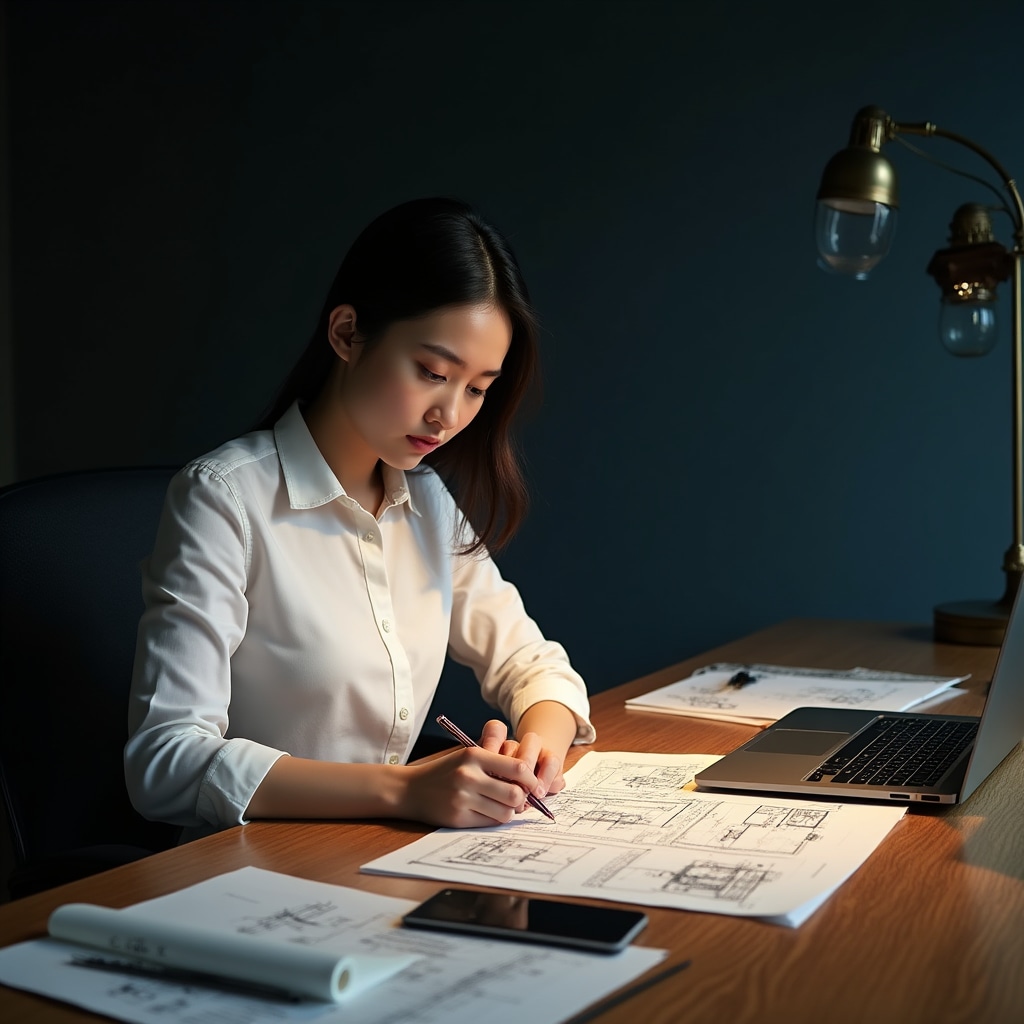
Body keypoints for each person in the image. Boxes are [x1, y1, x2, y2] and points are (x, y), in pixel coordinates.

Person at [124, 197, 595, 842]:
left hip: (374, 857)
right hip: (248, 870)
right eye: (433, 372)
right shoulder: (224, 498)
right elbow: (164, 761)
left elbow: (532, 664)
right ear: (347, 333)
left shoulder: (426, 500)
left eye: (478, 388)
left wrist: (535, 748)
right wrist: (404, 789)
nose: (450, 415)